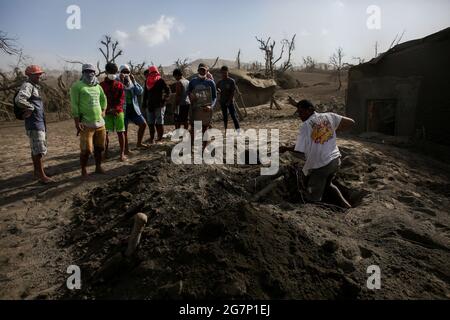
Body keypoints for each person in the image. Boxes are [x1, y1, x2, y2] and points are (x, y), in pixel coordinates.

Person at [280, 99, 355, 208]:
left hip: (322, 165)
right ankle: (347, 206)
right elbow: (351, 122)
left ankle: (322, 217)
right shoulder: (329, 116)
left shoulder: (306, 125)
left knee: (311, 198)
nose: (300, 115)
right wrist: (332, 130)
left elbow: (299, 149)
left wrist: (285, 148)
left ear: (310, 110)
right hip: (335, 160)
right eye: (298, 113)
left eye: (302, 112)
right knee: (328, 185)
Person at [15, 65, 52, 184]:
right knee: (39, 150)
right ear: (29, 75)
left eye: (40, 74)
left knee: (36, 149)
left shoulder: (34, 86)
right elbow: (19, 99)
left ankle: (37, 172)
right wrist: (30, 107)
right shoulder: (27, 86)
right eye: (36, 74)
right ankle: (42, 176)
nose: (39, 76)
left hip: (38, 122)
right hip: (34, 123)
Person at [70, 63, 107, 178]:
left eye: (92, 72)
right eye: (87, 71)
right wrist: (77, 122)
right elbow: (74, 104)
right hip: (86, 124)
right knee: (86, 150)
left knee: (100, 147)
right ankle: (83, 169)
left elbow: (103, 98)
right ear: (83, 73)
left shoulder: (97, 86)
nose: (90, 74)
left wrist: (104, 110)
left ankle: (98, 166)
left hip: (100, 123)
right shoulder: (77, 86)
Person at [118, 64, 148, 154]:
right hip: (123, 109)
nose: (126, 73)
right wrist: (122, 81)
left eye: (127, 72)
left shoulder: (132, 81)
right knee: (125, 130)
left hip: (134, 108)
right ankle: (126, 150)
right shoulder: (117, 81)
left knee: (143, 124)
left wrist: (134, 80)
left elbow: (140, 91)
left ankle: (139, 143)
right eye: (124, 72)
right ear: (120, 72)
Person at [100, 62, 127, 161]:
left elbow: (122, 99)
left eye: (114, 72)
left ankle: (122, 154)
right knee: (105, 134)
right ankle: (105, 153)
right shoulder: (101, 86)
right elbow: (101, 100)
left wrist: (115, 109)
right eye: (111, 72)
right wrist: (107, 110)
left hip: (118, 111)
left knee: (121, 132)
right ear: (106, 72)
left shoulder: (119, 85)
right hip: (106, 112)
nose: (113, 73)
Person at [187, 63, 217, 141]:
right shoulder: (193, 82)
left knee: (204, 129)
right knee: (194, 128)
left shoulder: (210, 82)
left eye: (204, 70)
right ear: (198, 70)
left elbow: (214, 97)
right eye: (200, 70)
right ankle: (191, 148)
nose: (202, 72)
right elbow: (188, 92)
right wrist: (191, 95)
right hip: (195, 108)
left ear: (207, 71)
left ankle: (204, 149)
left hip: (206, 109)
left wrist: (211, 106)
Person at [142, 66, 170, 144]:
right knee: (150, 123)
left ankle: (159, 138)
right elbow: (145, 94)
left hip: (159, 105)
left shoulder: (161, 80)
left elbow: (168, 91)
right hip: (150, 105)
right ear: (150, 73)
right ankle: (152, 138)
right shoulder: (147, 81)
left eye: (154, 72)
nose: (153, 74)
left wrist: (164, 100)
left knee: (159, 122)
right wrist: (144, 104)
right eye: (152, 72)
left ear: (157, 72)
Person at [216, 65, 240, 132]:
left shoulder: (231, 81)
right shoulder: (220, 82)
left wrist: (229, 101)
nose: (224, 74)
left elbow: (233, 92)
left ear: (227, 72)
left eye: (225, 72)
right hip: (222, 101)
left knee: (233, 116)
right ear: (221, 73)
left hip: (230, 102)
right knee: (225, 117)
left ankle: (238, 131)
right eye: (222, 72)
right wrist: (218, 93)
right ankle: (226, 130)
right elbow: (216, 89)